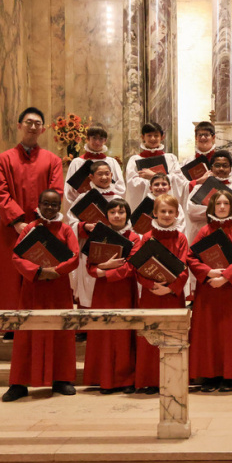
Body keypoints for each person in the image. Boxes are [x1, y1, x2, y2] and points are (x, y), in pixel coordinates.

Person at [3, 189, 79, 402]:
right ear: (39, 204)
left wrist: (56, 271)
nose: (50, 208)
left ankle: (62, 379)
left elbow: (74, 258)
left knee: (61, 332)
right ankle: (18, 383)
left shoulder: (65, 230)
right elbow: (17, 257)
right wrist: (38, 272)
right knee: (27, 332)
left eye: (54, 205)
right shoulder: (29, 229)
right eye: (46, 203)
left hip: (58, 289)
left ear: (59, 207)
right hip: (33, 288)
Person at [0, 107, 64, 320]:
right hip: (12, 228)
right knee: (10, 276)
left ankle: (40, 319)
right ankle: (10, 322)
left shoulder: (52, 160)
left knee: (41, 272)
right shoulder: (4, 159)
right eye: (29, 122)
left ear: (43, 130)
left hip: (44, 226)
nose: (33, 126)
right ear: (19, 125)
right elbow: (0, 192)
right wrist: (17, 222)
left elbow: (56, 191)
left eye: (38, 123)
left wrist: (41, 221)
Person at [188, 190, 232, 393]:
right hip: (208, 289)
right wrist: (208, 272)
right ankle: (209, 375)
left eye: (225, 204)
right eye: (218, 204)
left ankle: (229, 376)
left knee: (229, 332)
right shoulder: (204, 230)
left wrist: (225, 277)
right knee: (207, 332)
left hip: (229, 289)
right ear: (212, 208)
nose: (222, 207)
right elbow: (191, 257)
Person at [132, 194, 189, 394]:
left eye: (170, 212)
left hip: (172, 296)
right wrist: (150, 284)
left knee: (172, 336)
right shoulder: (146, 237)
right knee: (150, 336)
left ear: (176, 214)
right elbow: (138, 267)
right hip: (151, 294)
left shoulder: (180, 238)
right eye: (162, 211)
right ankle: (149, 379)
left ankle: (173, 379)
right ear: (154, 213)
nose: (166, 215)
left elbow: (183, 268)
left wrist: (171, 288)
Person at [83, 198, 139, 394]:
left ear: (127, 215)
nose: (117, 215)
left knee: (123, 333)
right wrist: (102, 269)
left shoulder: (135, 238)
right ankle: (104, 379)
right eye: (113, 212)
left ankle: (126, 379)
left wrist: (104, 272)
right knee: (104, 333)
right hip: (103, 291)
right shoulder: (99, 235)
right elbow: (90, 264)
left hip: (124, 289)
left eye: (121, 212)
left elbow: (131, 266)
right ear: (106, 215)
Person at [66, 161, 122, 310]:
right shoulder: (83, 198)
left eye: (107, 173)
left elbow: (127, 223)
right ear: (91, 177)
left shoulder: (118, 198)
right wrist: (84, 226)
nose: (104, 177)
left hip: (112, 246)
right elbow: (71, 222)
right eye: (100, 174)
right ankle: (87, 329)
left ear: (111, 175)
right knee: (88, 284)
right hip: (89, 247)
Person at [186, 150, 232, 240]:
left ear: (230, 169)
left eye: (225, 166)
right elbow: (192, 211)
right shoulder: (199, 189)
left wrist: (212, 208)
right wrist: (228, 208)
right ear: (211, 168)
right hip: (206, 237)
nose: (221, 169)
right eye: (217, 165)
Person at [124, 121, 187, 209]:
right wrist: (160, 182)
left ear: (162, 137)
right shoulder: (135, 160)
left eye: (156, 135)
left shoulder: (171, 158)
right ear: (143, 137)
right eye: (149, 135)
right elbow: (132, 184)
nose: (153, 138)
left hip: (167, 203)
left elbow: (179, 179)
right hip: (144, 202)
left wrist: (153, 176)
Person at [63, 125, 125, 206]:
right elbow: (69, 191)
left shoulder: (112, 162)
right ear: (87, 139)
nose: (97, 142)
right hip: (84, 206)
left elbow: (121, 188)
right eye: (94, 138)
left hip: (108, 206)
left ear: (105, 140)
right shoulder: (77, 162)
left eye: (101, 139)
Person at [178, 121, 218, 186]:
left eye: (206, 135)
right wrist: (198, 181)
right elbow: (181, 184)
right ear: (196, 138)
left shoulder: (220, 160)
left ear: (213, 137)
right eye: (200, 135)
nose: (202, 138)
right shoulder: (188, 161)